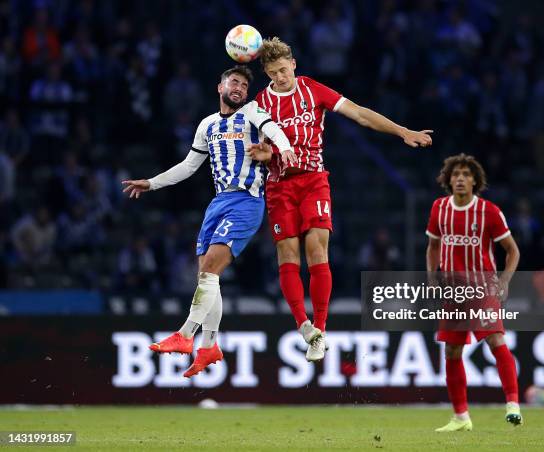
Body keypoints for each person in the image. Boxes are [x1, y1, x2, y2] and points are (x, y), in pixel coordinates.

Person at [247, 37, 433, 362]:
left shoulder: (312, 90)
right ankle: (303, 325)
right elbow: (254, 149)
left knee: (317, 249)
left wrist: (403, 131)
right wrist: (261, 154)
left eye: (283, 69)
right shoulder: (260, 104)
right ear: (266, 73)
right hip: (279, 185)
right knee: (287, 253)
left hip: (313, 180)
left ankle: (320, 329)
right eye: (273, 72)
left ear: (293, 64)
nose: (280, 77)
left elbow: (359, 114)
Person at [122, 65, 296, 378]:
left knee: (211, 269)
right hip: (217, 204)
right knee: (207, 274)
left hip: (246, 200)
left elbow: (274, 130)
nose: (239, 88)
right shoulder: (208, 125)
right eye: (234, 82)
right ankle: (209, 346)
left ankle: (185, 336)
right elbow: (189, 166)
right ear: (220, 87)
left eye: (244, 84)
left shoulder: (253, 112)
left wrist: (283, 149)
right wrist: (151, 182)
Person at [425, 154, 522, 431]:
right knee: (452, 351)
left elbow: (512, 251)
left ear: (475, 180)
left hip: (482, 288)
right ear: (448, 179)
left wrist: (504, 281)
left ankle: (513, 404)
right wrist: (433, 276)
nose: (459, 179)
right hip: (453, 292)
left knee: (495, 339)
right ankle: (460, 417)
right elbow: (432, 246)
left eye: (466, 174)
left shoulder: (489, 211)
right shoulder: (439, 208)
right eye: (455, 174)